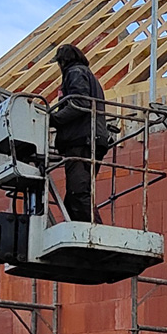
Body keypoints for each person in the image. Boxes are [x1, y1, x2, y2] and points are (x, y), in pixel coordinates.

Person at [50, 43, 112, 222]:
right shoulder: (87, 74)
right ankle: (76, 233)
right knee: (73, 198)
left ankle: (97, 235)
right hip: (92, 138)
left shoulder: (74, 73)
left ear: (63, 61)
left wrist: (53, 119)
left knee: (78, 192)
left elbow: (80, 104)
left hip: (81, 140)